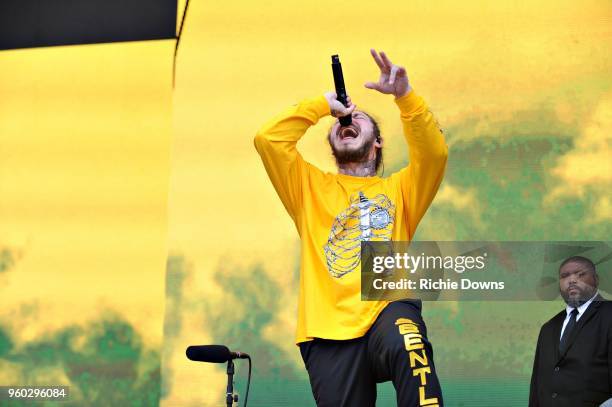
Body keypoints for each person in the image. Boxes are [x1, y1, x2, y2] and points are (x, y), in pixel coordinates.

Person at [254, 49, 447, 406]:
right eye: (341, 121)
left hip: (386, 306)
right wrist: (321, 106)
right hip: (326, 330)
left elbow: (434, 154)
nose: (347, 120)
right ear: (332, 144)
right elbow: (268, 140)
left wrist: (405, 98)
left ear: (378, 142)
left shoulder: (401, 189)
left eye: (357, 117)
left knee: (409, 342)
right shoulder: (307, 187)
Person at [529, 256, 612, 406]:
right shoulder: (548, 328)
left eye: (580, 274)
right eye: (564, 276)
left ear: (596, 279)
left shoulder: (609, 314)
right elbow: (537, 386)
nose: (572, 280)